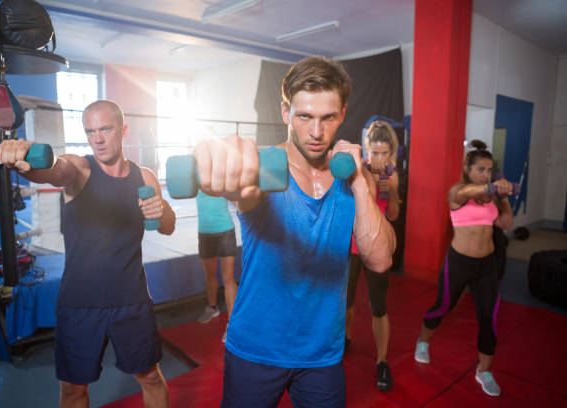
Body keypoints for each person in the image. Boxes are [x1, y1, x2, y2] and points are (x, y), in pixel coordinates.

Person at [193, 56, 396, 407]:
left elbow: (379, 260)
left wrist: (361, 182)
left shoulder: (353, 178)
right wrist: (217, 163)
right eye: (304, 116)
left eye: (327, 118)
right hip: (256, 347)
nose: (316, 132)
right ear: (286, 112)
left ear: (343, 114)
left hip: (322, 355)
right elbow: (242, 188)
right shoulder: (263, 169)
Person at [0, 100, 175, 408]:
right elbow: (53, 170)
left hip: (131, 301)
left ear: (124, 130)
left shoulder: (144, 177)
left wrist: (163, 208)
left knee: (151, 378)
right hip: (79, 303)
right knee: (73, 390)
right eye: (90, 131)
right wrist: (24, 161)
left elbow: (167, 226)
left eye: (105, 128)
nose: (98, 138)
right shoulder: (79, 168)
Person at [414, 140, 513, 397]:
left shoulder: (490, 197)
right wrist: (492, 186)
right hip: (459, 262)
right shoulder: (457, 191)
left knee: (489, 318)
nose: (486, 174)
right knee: (443, 306)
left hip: (487, 265)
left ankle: (484, 371)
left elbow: (506, 223)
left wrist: (503, 196)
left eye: (490, 170)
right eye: (481, 169)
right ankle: (423, 341)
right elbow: (468, 192)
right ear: (468, 169)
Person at [345, 120, 400, 392]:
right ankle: (345, 338)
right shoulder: (359, 171)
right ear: (367, 150)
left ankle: (381, 361)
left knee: (379, 307)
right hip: (353, 245)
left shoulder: (391, 176)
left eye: (384, 154)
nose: (379, 159)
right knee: (345, 300)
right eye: (375, 153)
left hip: (377, 247)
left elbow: (392, 215)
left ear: (392, 154)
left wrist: (389, 187)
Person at [195, 190, 238, 343]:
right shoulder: (196, 175)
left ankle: (233, 326)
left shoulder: (222, 177)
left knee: (228, 278)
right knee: (210, 274)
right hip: (204, 233)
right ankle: (212, 308)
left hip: (225, 231)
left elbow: (237, 200)